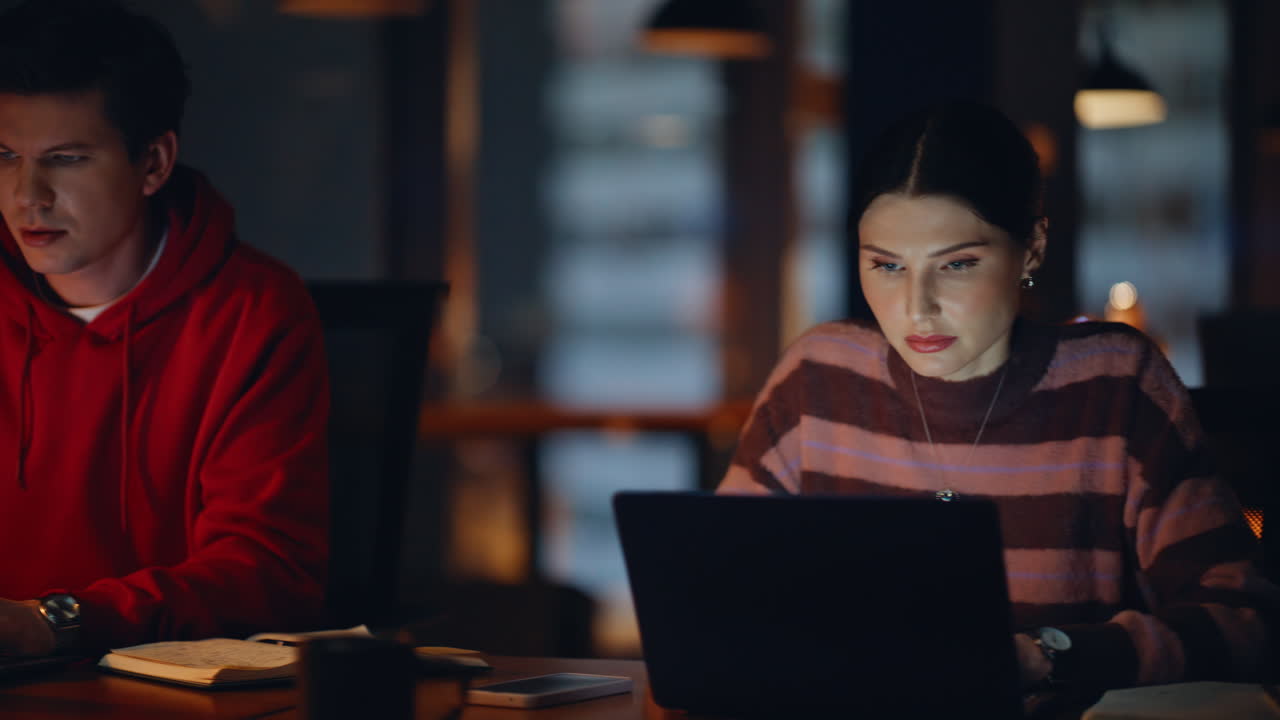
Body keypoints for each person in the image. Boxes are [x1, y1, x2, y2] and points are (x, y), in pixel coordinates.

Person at [719, 101, 1276, 691]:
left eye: (957, 264)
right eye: (886, 265)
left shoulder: (1114, 384)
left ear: (1031, 247)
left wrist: (1045, 657)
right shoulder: (819, 376)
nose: (916, 307)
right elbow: (715, 586)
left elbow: (1244, 623)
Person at [0, 0, 329, 656]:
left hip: (163, 692)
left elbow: (266, 570)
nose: (27, 195)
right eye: (4, 155)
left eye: (64, 159)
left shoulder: (253, 313)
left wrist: (57, 622)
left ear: (152, 163)